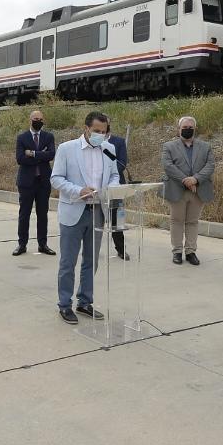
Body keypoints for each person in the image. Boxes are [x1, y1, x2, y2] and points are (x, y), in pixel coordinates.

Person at [50, 111, 120, 324]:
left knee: (91, 261)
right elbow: (56, 178)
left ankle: (85, 302)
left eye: (104, 131)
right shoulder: (67, 148)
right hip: (74, 210)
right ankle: (64, 304)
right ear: (86, 128)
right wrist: (78, 190)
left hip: (98, 212)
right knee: (68, 262)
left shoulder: (109, 149)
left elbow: (115, 174)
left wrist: (112, 189)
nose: (100, 135)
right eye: (96, 131)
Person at [161, 115, 215, 266]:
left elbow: (210, 166)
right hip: (177, 189)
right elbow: (168, 166)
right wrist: (185, 180)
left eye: (190, 127)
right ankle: (177, 251)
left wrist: (195, 179)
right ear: (178, 129)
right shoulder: (168, 146)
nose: (187, 130)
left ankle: (191, 251)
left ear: (195, 129)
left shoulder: (206, 147)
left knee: (192, 221)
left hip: (198, 189)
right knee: (177, 221)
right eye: (184, 128)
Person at [14, 109, 56, 256]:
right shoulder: (22, 137)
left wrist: (32, 153)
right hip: (26, 182)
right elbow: (20, 159)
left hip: (43, 182)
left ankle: (42, 244)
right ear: (30, 120)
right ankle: (22, 244)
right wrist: (41, 155)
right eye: (36, 119)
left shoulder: (48, 136)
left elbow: (51, 155)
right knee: (24, 214)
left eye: (40, 119)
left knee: (42, 214)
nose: (38, 121)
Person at [108, 130, 131, 260]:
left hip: (116, 186)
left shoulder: (118, 142)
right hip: (95, 187)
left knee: (117, 220)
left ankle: (121, 249)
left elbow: (121, 163)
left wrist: (107, 173)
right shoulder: (91, 142)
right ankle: (90, 249)